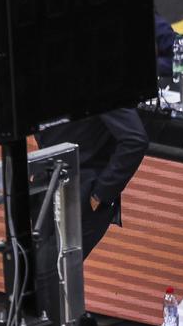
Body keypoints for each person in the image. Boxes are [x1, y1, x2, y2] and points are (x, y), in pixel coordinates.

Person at [34, 108, 148, 259]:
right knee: (36, 268)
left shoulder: (98, 86)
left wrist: (101, 193)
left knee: (53, 272)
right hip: (46, 183)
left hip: (82, 193)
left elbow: (135, 140)